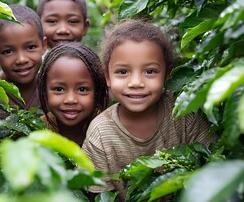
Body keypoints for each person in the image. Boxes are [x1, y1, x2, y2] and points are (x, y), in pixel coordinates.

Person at [82, 19, 217, 199]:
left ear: (167, 74)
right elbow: (100, 196)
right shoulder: (100, 134)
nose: (136, 83)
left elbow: (214, 170)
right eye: (123, 72)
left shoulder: (184, 114)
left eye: (150, 71)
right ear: (107, 76)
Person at [38, 42, 108, 146]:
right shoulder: (36, 131)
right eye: (59, 89)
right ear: (44, 91)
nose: (70, 100)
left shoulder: (108, 131)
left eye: (82, 89)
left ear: (97, 92)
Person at [0, 4, 47, 119]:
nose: (21, 59)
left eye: (30, 47)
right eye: (8, 51)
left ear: (43, 46)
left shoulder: (52, 88)